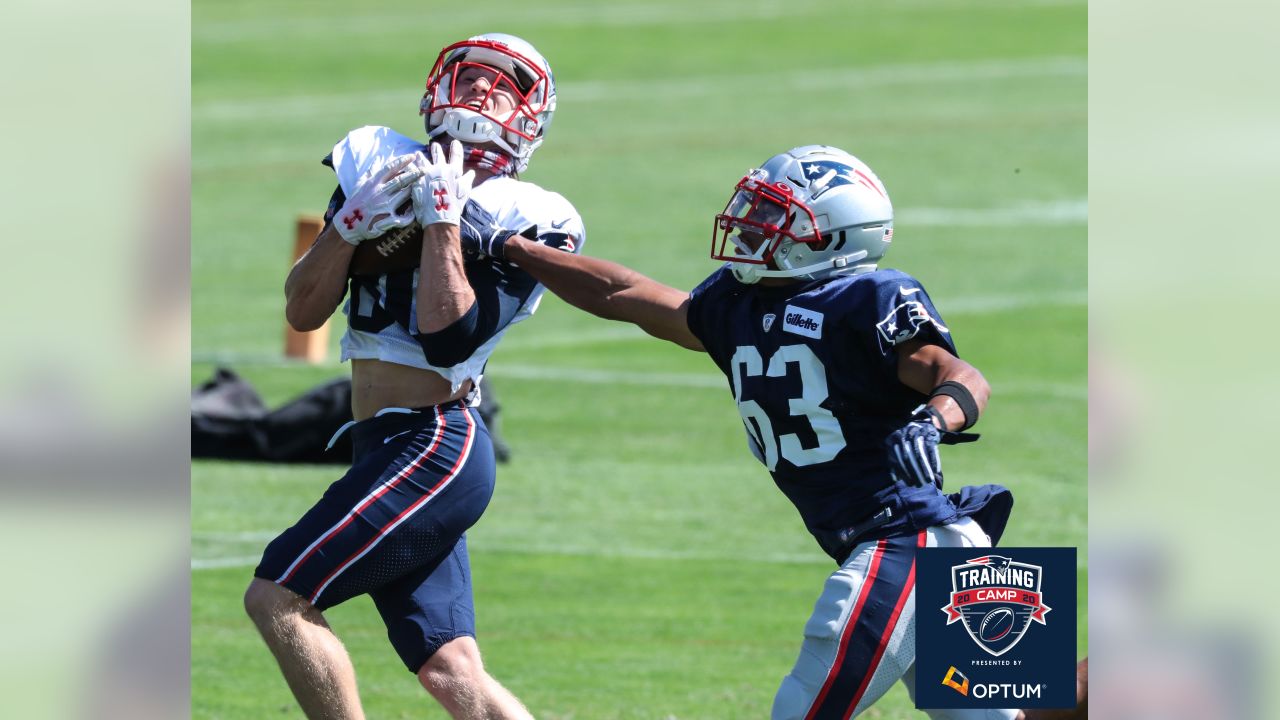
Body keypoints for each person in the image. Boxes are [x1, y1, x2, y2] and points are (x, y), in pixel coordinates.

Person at [459, 145, 1073, 718]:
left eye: (778, 217)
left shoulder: (868, 297)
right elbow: (623, 293)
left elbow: (960, 376)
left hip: (906, 545)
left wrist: (934, 419)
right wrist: (513, 248)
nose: (752, 225)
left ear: (830, 237)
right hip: (929, 543)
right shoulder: (735, 305)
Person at [242, 33, 584, 720]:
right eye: (471, 75)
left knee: (279, 595)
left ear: (532, 114)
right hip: (384, 439)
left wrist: (442, 226)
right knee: (451, 672)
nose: (481, 90)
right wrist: (347, 225)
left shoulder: (531, 213)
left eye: (503, 85)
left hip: (436, 443)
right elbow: (304, 311)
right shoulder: (376, 156)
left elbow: (447, 332)